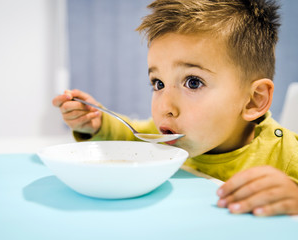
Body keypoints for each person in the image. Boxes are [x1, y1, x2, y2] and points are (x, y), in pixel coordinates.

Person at [52, 0, 298, 216]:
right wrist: (97, 123)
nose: (165, 107)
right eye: (158, 84)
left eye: (193, 82)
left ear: (253, 100)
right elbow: (131, 135)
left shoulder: (287, 155)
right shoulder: (167, 138)